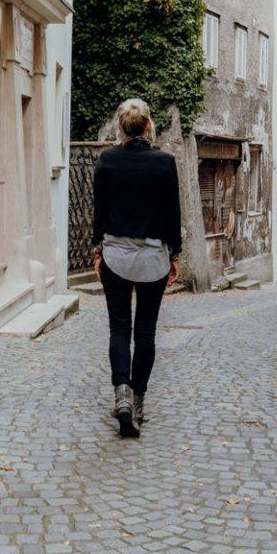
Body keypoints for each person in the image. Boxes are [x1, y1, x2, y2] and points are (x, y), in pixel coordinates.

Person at [92, 98, 182, 438]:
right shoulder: (164, 163)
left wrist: (98, 250)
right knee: (145, 332)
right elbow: (172, 213)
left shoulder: (107, 160)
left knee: (119, 329)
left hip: (116, 254)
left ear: (121, 127)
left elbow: (99, 211)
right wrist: (175, 255)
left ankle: (122, 396)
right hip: (152, 258)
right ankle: (139, 400)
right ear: (148, 126)